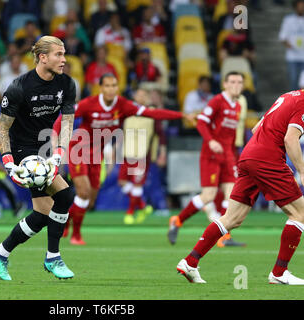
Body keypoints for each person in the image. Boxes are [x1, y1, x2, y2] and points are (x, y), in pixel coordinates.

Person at [177, 88, 304, 285]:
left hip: (249, 155)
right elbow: (290, 139)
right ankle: (279, 272)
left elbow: (256, 129)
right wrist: (302, 171)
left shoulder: (287, 96)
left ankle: (190, 262)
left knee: (232, 218)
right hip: (267, 159)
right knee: (300, 214)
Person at [54, 73, 193, 245]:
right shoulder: (89, 104)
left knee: (89, 201)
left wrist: (181, 116)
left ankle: (66, 220)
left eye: (114, 86)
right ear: (101, 87)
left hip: (98, 156)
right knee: (83, 192)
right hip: (79, 150)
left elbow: (152, 113)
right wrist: (54, 137)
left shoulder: (123, 105)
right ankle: (76, 235)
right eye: (107, 86)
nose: (111, 89)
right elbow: (64, 117)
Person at [0, 36, 77, 281]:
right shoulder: (18, 87)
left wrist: (59, 153)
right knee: (65, 195)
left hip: (46, 146)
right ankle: (52, 257)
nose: (64, 59)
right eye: (59, 54)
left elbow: (67, 123)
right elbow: (2, 128)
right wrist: (7, 161)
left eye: (64, 53)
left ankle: (0, 252)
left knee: (43, 214)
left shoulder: (67, 84)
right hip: (22, 150)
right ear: (43, 57)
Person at [167, 72, 246, 247]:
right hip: (211, 155)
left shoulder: (237, 106)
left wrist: (233, 155)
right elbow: (202, 122)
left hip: (228, 155)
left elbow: (231, 135)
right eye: (232, 81)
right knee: (208, 195)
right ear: (224, 84)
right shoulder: (217, 101)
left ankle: (225, 237)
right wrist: (211, 141)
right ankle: (177, 220)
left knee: (231, 195)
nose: (236, 85)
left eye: (240, 82)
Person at [118, 88, 155, 225]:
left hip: (141, 153)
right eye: (138, 94)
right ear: (134, 96)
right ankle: (143, 206)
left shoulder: (151, 111)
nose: (141, 96)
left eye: (143, 94)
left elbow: (158, 133)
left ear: (147, 97)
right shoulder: (128, 111)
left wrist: (158, 151)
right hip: (127, 152)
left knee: (137, 184)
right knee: (122, 181)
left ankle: (130, 212)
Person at [279, 0, 304, 91]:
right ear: (295, 6)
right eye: (300, 5)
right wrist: (288, 44)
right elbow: (282, 37)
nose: (302, 8)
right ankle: (294, 102)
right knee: (293, 80)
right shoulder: (288, 20)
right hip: (292, 56)